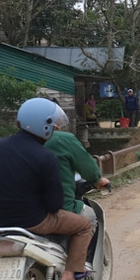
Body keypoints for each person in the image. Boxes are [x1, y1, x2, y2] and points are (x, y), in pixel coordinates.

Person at [0, 97, 94, 280]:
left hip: (2, 222)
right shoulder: (45, 156)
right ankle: (68, 278)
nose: (56, 127)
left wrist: (2, 209)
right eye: (54, 123)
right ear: (45, 125)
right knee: (83, 225)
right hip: (36, 221)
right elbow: (55, 203)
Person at [45, 103, 110, 249]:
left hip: (20, 212)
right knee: (89, 218)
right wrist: (98, 179)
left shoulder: (18, 144)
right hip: (60, 208)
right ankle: (78, 268)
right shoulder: (62, 139)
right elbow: (87, 166)